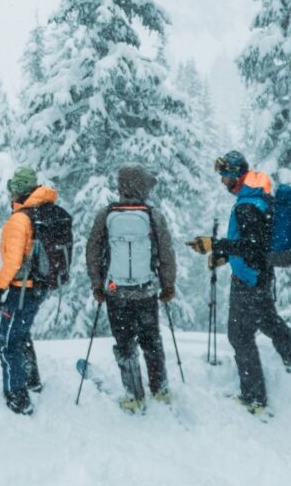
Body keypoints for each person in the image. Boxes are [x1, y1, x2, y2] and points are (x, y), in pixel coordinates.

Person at [189, 150, 291, 414]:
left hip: (249, 279)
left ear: (235, 174)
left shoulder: (248, 205)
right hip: (259, 276)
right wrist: (224, 256)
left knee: (240, 335)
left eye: (224, 175)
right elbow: (256, 245)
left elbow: (251, 246)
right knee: (270, 323)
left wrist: (215, 245)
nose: (222, 181)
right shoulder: (257, 199)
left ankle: (255, 398)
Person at [85, 163, 178, 413]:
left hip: (117, 293)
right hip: (146, 290)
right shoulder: (152, 215)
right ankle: (160, 390)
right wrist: (168, 285)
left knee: (124, 342)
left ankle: (134, 395)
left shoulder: (106, 214)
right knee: (151, 340)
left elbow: (93, 250)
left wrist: (97, 283)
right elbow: (166, 252)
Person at [0, 165, 59, 415]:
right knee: (21, 334)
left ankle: (17, 396)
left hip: (22, 290)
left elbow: (14, 261)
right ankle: (32, 381)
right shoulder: (43, 213)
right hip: (38, 287)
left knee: (6, 341)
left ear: (17, 192)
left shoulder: (21, 219)